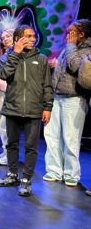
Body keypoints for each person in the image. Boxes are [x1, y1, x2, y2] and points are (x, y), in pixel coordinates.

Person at [0, 25, 53, 197]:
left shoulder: (41, 59)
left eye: (33, 36)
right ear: (17, 38)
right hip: (13, 107)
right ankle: (12, 174)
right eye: (28, 36)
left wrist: (47, 107)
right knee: (11, 144)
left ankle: (26, 179)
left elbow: (47, 85)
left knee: (31, 147)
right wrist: (15, 53)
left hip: (34, 109)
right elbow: (4, 75)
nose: (32, 39)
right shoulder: (7, 57)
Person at [43, 19, 91, 187]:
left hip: (74, 98)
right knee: (51, 135)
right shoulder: (70, 47)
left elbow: (76, 66)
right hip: (56, 97)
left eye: (71, 32)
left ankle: (71, 173)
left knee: (70, 138)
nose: (67, 35)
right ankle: (54, 169)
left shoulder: (87, 50)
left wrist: (71, 46)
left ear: (81, 34)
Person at [0, 29, 14, 166]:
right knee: (0, 123)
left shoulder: (17, 53)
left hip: (10, 92)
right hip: (0, 92)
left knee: (5, 124)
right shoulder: (4, 54)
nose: (5, 39)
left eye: (8, 36)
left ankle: (9, 155)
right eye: (3, 37)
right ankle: (5, 151)